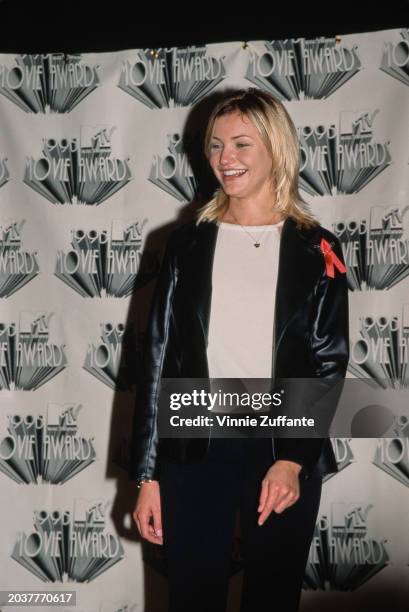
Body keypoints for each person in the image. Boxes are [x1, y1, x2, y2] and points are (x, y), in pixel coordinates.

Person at [130, 87, 349, 612]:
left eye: (242, 144)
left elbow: (327, 363)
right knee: (191, 597)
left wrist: (294, 460)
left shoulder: (316, 247)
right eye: (215, 146)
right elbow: (157, 358)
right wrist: (148, 475)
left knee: (272, 599)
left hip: (281, 443)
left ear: (276, 148)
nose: (225, 159)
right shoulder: (186, 243)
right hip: (194, 437)